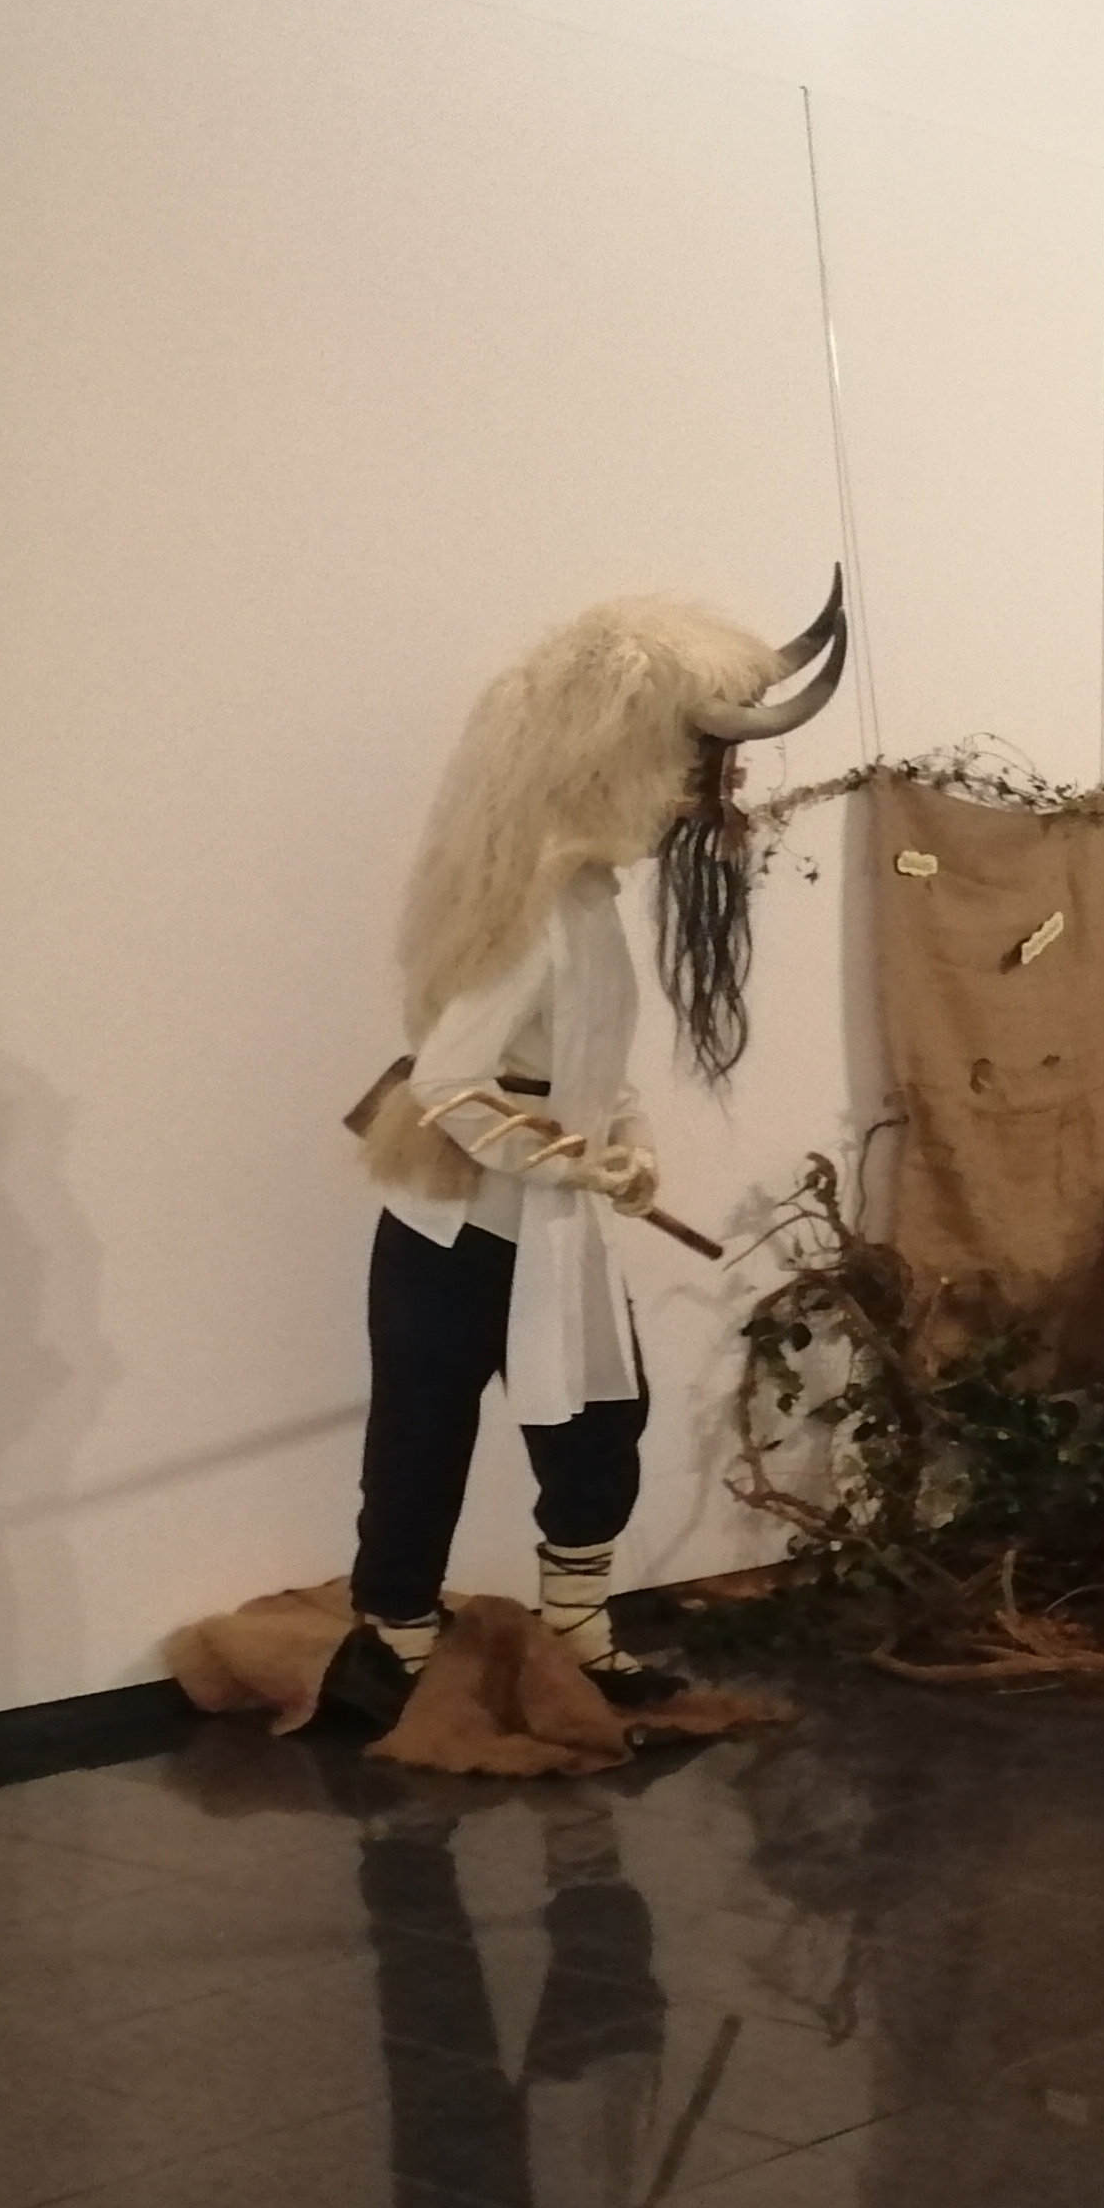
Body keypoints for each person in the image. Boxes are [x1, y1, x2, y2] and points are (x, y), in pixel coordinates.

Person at [329, 584, 847, 1723]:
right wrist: (568, 1162)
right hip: (458, 1232)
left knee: (600, 1423)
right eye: (693, 765)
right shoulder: (531, 911)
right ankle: (395, 1641)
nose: (706, 793)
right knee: (423, 1433)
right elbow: (448, 1081)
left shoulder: (585, 902)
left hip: (552, 1232)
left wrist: (630, 1140)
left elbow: (593, 1067)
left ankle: (581, 1635)